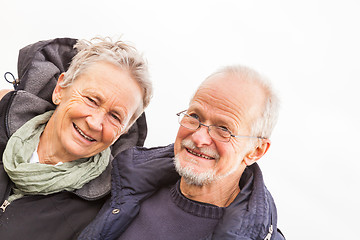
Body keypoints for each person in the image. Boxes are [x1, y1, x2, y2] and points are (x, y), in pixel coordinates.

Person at [79, 65, 285, 240]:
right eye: (194, 116)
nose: (199, 137)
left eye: (224, 129)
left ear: (256, 151)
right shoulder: (121, 184)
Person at [0, 36, 152, 239]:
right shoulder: (2, 116)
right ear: (60, 89)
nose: (95, 123)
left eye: (115, 116)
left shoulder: (102, 214)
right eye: (91, 99)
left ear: (123, 132)